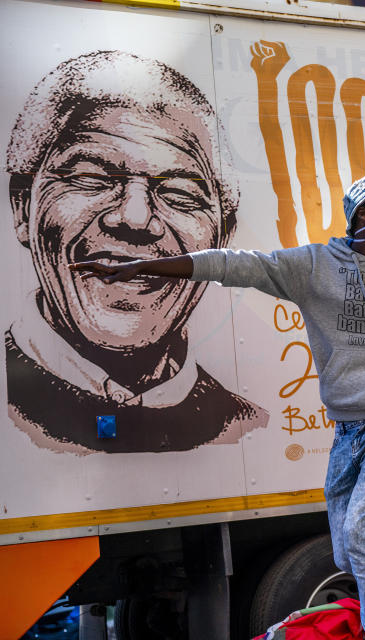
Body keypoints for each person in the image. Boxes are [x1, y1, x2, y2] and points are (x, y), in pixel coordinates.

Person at [71, 172, 365, 640]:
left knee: (359, 536)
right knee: (344, 552)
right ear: (362, 215)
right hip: (349, 428)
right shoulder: (313, 266)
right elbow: (233, 264)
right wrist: (146, 266)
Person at [5, 50, 266, 454]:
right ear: (23, 207)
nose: (136, 218)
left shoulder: (249, 429)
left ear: (222, 235)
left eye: (180, 193)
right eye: (91, 177)